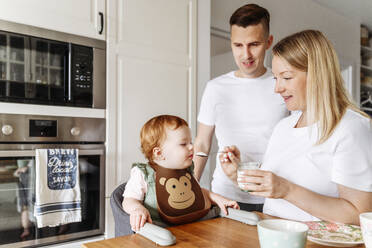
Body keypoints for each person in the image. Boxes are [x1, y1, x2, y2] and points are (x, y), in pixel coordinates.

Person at [220, 30, 372, 224]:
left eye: (286, 77)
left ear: (318, 75)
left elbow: (360, 215)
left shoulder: (350, 127)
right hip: (271, 237)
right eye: (276, 78)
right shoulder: (284, 127)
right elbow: (272, 198)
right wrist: (238, 175)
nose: (277, 88)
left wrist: (287, 189)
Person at [194, 3, 288, 212]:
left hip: (273, 196)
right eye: (238, 45)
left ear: (268, 42)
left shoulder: (283, 84)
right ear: (231, 44)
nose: (246, 54)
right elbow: (201, 144)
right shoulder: (215, 88)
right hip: (226, 196)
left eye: (254, 44)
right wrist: (191, 188)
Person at [122, 115, 239, 232]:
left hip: (197, 227)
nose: (192, 147)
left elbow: (198, 191)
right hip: (162, 232)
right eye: (184, 144)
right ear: (159, 153)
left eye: (191, 142)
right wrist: (137, 209)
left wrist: (219, 200)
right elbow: (129, 200)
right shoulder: (142, 174)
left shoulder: (187, 169)